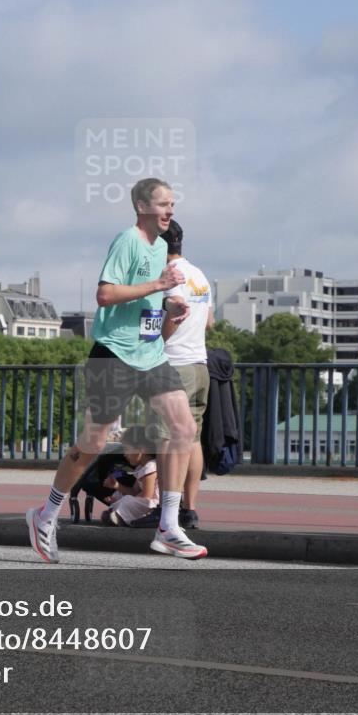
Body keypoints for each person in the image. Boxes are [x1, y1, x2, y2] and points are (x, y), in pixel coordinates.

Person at [26, 177, 208, 561]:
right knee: (92, 444)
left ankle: (168, 526)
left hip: (150, 354)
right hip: (114, 354)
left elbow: (147, 300)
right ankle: (46, 514)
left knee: (183, 428)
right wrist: (157, 284)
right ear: (142, 207)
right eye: (163, 204)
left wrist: (169, 307)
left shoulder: (161, 247)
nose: (170, 210)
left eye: (173, 204)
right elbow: (106, 294)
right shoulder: (127, 241)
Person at [133, 219, 213, 529]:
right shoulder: (199, 275)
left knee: (166, 438)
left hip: (173, 364)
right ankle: (189, 510)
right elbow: (209, 322)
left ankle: (167, 512)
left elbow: (165, 323)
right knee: (192, 439)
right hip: (199, 364)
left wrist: (152, 344)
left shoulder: (167, 276)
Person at [100, 426, 159, 526]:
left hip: (152, 505)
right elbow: (134, 491)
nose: (125, 454)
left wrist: (124, 500)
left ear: (141, 450)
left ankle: (121, 516)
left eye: (127, 449)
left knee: (127, 499)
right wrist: (117, 486)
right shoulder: (141, 468)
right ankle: (118, 514)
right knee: (121, 495)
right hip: (144, 501)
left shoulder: (150, 467)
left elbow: (147, 497)